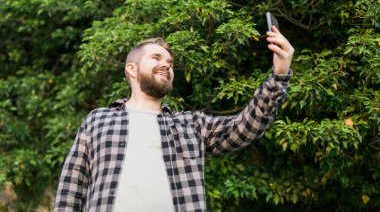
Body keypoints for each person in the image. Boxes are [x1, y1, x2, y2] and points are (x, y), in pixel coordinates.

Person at [54, 26, 294, 212]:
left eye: (169, 63)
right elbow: (71, 188)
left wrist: (279, 76)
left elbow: (246, 127)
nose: (166, 65)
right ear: (132, 69)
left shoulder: (190, 125)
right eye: (156, 58)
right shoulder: (99, 120)